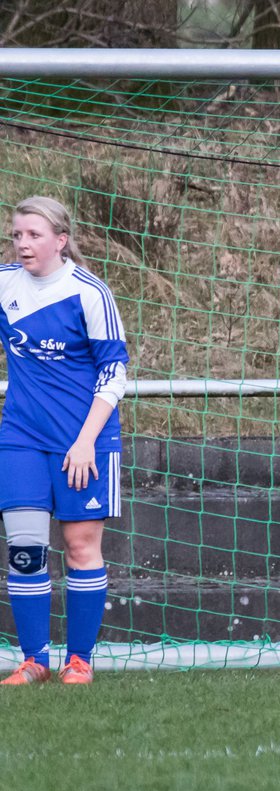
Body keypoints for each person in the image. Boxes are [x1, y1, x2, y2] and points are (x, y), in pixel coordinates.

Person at [0, 196, 129, 685]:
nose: (23, 244)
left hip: (84, 439)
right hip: (21, 438)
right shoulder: (5, 284)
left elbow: (114, 373)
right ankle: (35, 659)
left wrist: (85, 441)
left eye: (33, 235)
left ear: (60, 239)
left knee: (79, 547)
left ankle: (80, 659)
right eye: (16, 235)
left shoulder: (89, 292)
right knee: (26, 550)